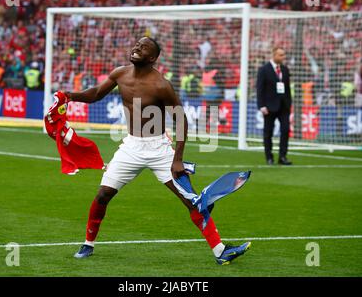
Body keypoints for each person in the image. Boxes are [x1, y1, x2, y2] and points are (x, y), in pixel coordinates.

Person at [64, 37, 250, 264]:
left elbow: (181, 120)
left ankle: (221, 251)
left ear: (152, 58)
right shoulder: (120, 73)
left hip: (159, 148)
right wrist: (70, 96)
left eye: (143, 48)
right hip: (131, 146)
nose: (136, 48)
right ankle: (88, 244)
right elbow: (95, 94)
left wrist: (178, 159)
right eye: (136, 45)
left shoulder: (161, 85)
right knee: (103, 194)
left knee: (191, 200)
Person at [257, 46, 292, 165]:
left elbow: (287, 88)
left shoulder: (285, 69)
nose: (283, 57)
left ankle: (282, 156)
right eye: (281, 55)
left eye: (284, 55)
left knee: (285, 130)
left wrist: (289, 103)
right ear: (274, 55)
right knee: (268, 133)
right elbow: (260, 89)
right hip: (269, 106)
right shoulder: (264, 69)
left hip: (283, 106)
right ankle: (269, 157)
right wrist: (261, 105)